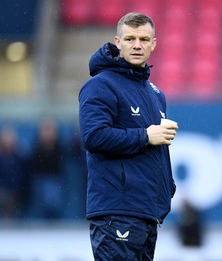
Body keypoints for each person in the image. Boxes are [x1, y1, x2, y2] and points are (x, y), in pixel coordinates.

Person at [78, 12, 178, 260]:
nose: (137, 45)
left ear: (153, 44)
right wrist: (145, 136)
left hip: (145, 212)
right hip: (117, 211)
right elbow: (94, 137)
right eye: (130, 38)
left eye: (144, 39)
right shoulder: (100, 85)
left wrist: (167, 187)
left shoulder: (155, 93)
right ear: (118, 42)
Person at [0, 126, 28, 220]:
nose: (8, 142)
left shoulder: (19, 156)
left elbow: (23, 176)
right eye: (5, 138)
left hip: (17, 192)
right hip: (1, 192)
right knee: (3, 199)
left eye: (10, 138)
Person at [29, 118, 65, 220]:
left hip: (54, 179)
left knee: (53, 205)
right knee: (41, 206)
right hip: (40, 179)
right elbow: (35, 163)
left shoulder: (58, 146)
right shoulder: (37, 146)